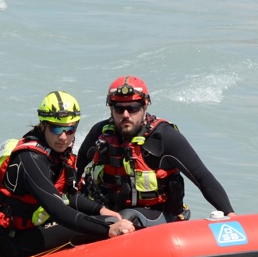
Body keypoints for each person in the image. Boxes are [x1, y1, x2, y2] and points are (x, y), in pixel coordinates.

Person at [0, 90, 136, 257]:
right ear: (43, 124)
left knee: (106, 216)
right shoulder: (30, 159)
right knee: (103, 223)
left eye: (70, 130)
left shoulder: (57, 155)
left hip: (34, 229)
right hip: (13, 240)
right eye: (56, 128)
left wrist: (99, 209)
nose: (63, 137)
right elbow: (57, 210)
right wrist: (108, 228)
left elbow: (68, 195)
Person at [75, 75, 236, 221]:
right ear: (111, 109)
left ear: (144, 106)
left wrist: (230, 213)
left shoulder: (165, 137)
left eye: (132, 108)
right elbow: (77, 169)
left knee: (125, 218)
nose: (125, 114)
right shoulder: (100, 133)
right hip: (109, 213)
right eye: (119, 108)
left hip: (155, 215)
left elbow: (202, 177)